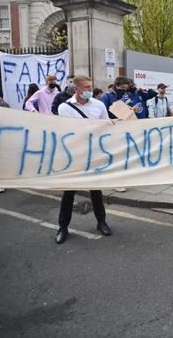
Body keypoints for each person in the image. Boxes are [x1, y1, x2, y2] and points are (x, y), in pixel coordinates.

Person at [55, 75, 113, 244]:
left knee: (96, 191)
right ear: (76, 89)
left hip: (94, 154)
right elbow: (70, 131)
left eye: (90, 86)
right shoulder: (64, 108)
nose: (90, 90)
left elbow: (105, 128)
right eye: (86, 87)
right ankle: (63, 227)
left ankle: (101, 221)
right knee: (69, 193)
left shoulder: (99, 105)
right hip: (74, 156)